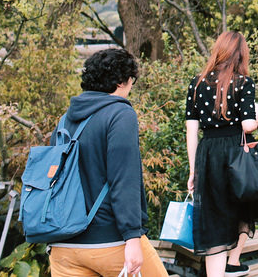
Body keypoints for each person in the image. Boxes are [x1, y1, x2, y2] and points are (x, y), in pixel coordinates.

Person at [48, 48, 168, 277]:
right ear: (122, 81)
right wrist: (133, 239)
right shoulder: (120, 114)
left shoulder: (65, 120)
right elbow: (124, 180)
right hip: (109, 242)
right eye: (132, 80)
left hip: (63, 246)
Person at [185, 30, 258, 277]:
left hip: (209, 154)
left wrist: (193, 170)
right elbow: (247, 125)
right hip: (237, 153)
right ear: (241, 54)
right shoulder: (244, 83)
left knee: (214, 217)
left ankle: (218, 272)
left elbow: (191, 129)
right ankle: (234, 261)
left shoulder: (197, 83)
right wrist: (257, 116)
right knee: (244, 204)